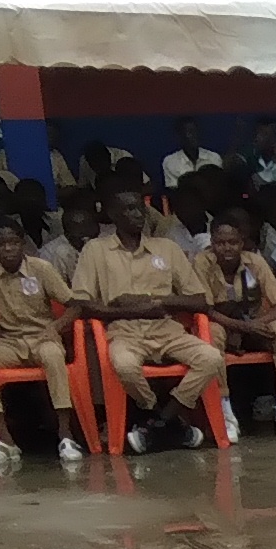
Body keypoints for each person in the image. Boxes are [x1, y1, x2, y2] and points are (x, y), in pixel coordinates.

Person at [67, 186, 226, 453]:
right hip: (124, 332)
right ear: (112, 214)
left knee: (211, 358)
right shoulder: (96, 250)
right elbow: (82, 304)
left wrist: (157, 302)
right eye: (128, 209)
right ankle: (168, 421)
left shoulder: (166, 248)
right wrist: (133, 311)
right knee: (125, 365)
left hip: (168, 330)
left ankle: (159, 422)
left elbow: (199, 300)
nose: (137, 214)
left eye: (140, 208)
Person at [0, 216, 85, 465]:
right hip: (10, 342)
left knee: (53, 355)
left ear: (22, 244)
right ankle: (6, 439)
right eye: (1, 244)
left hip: (42, 338)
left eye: (13, 243)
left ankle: (65, 435)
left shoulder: (41, 268)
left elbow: (75, 306)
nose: (8, 249)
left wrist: (56, 326)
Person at [199, 213, 276, 439]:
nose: (227, 248)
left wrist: (253, 325)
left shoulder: (254, 261)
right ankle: (226, 414)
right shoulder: (202, 262)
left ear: (242, 242)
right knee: (211, 333)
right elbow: (205, 309)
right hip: (222, 323)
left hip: (254, 322)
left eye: (233, 242)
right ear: (212, 243)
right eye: (220, 243)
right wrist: (241, 326)